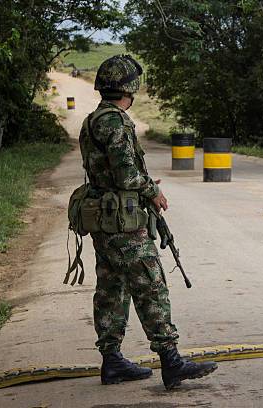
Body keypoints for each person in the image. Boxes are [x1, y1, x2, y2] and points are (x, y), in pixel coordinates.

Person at [78, 54, 217, 389]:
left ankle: (112, 362)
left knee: (112, 288)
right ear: (130, 87)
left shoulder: (92, 119)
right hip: (123, 223)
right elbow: (127, 176)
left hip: (104, 219)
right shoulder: (116, 122)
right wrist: (152, 190)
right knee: (150, 283)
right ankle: (171, 360)